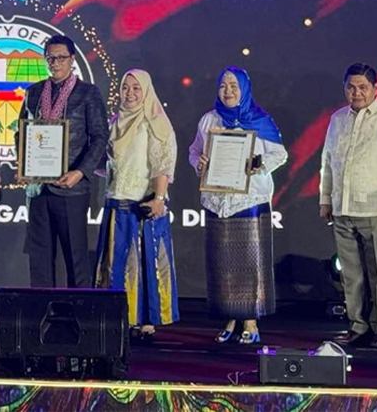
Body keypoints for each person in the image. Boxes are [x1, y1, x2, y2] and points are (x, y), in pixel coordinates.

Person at [189, 67, 287, 345]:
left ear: (244, 90)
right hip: (218, 201)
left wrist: (257, 165)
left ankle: (251, 320)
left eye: (234, 86)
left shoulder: (259, 119)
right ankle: (230, 318)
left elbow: (280, 154)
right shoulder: (209, 120)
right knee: (223, 265)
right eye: (223, 86)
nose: (228, 91)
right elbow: (194, 151)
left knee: (250, 264)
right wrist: (200, 163)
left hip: (249, 201)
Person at [319, 63, 377, 350]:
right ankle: (358, 326)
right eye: (351, 87)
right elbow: (327, 162)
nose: (356, 92)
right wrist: (326, 199)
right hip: (344, 209)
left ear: (376, 89)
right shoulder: (337, 120)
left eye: (362, 87)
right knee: (351, 274)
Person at [94, 69, 179, 342]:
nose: (129, 94)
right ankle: (122, 317)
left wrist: (159, 198)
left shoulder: (154, 122)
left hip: (142, 204)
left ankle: (147, 320)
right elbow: (107, 164)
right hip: (115, 201)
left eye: (136, 88)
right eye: (125, 88)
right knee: (115, 263)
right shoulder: (114, 122)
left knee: (143, 263)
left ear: (147, 91)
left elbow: (162, 164)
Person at [18, 34, 109, 289]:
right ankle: (41, 318)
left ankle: (77, 320)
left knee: (75, 258)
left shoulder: (88, 93)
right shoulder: (34, 92)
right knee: (39, 258)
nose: (55, 63)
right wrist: (23, 163)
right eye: (50, 58)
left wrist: (80, 172)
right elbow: (21, 133)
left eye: (61, 57)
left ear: (72, 59)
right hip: (38, 189)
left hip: (72, 187)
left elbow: (100, 137)